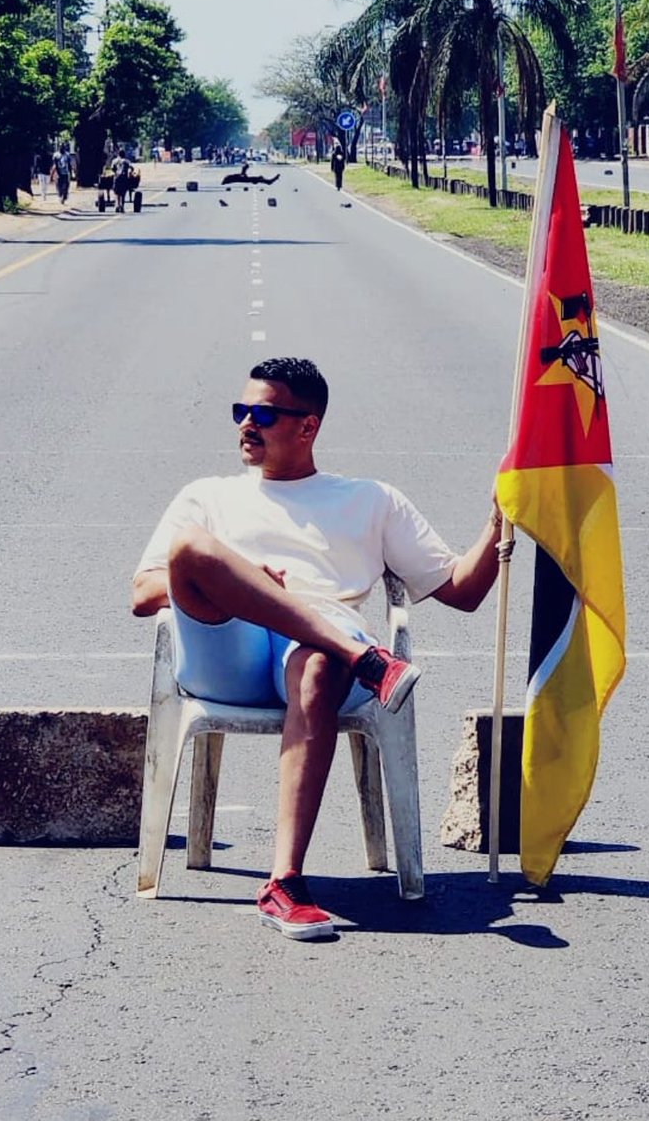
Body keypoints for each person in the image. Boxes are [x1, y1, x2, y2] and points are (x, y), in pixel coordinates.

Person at [132, 357, 508, 940]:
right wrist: (243, 579)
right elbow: (143, 593)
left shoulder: (370, 499)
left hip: (322, 668)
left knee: (318, 662)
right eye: (240, 411)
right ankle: (366, 659)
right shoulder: (207, 496)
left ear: (308, 426)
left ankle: (284, 882)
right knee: (191, 548)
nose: (246, 424)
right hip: (226, 651)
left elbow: (462, 590)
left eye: (263, 414)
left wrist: (500, 517)